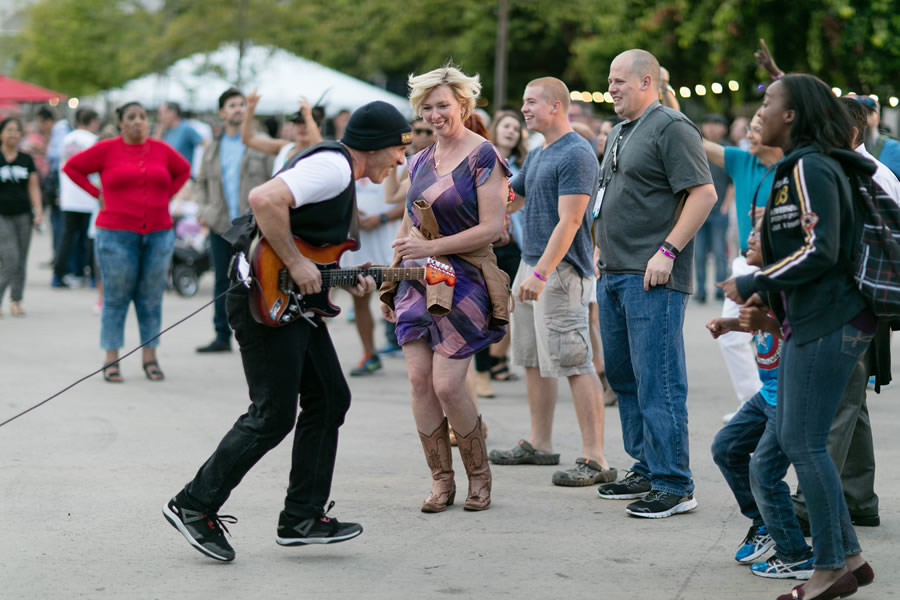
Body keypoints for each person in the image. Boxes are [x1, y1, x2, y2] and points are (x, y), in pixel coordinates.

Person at [163, 101, 411, 561]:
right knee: (273, 413)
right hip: (265, 298)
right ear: (376, 145)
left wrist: (342, 274)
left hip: (294, 303)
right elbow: (264, 199)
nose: (401, 160)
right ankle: (194, 504)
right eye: (399, 149)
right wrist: (296, 263)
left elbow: (311, 241)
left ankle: (302, 517)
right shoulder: (335, 169)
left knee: (331, 397)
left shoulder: (339, 173)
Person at [721, 74, 876, 600]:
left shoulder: (811, 165)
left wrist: (755, 282)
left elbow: (823, 249)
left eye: (768, 101)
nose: (759, 110)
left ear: (792, 114)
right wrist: (768, 300)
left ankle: (829, 568)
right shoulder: (799, 165)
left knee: (804, 443)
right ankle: (850, 555)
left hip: (832, 321)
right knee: (796, 440)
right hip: (813, 321)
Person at [380, 64, 510, 512]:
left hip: (467, 280)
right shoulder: (419, 160)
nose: (436, 115)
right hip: (417, 281)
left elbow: (492, 227)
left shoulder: (484, 155)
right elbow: (408, 222)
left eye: (443, 106)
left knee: (449, 385)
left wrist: (432, 246)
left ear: (463, 105)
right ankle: (441, 481)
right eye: (428, 108)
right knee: (419, 381)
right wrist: (392, 278)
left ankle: (480, 477)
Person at [594, 49, 716, 518]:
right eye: (609, 81)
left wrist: (668, 251)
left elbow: (702, 194)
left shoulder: (672, 127)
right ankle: (646, 467)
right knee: (625, 378)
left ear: (647, 81)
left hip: (653, 277)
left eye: (619, 80)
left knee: (658, 381)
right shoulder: (621, 131)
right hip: (614, 274)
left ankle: (674, 483)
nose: (611, 88)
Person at [489, 76, 616, 489]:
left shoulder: (577, 152)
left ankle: (595, 458)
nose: (523, 109)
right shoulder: (542, 151)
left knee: (575, 362)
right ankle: (540, 444)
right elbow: (517, 197)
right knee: (531, 360)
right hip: (532, 265)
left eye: (530, 102)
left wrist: (542, 274)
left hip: (559, 273)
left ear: (556, 105)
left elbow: (572, 219)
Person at [788, 97, 900, 537]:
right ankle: (858, 498)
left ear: (849, 132)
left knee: (833, 403)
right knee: (852, 398)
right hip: (860, 303)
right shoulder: (863, 171)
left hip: (852, 304)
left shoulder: (861, 174)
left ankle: (809, 506)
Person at [708, 228, 815, 581]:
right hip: (768, 392)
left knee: (765, 473)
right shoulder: (760, 284)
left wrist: (765, 322)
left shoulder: (789, 283)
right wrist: (729, 323)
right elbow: (759, 319)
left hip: (791, 396)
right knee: (726, 448)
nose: (750, 237)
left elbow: (800, 330)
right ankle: (764, 523)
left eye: (758, 232)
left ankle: (795, 554)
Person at [63, 102, 191, 383]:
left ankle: (150, 357)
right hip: (116, 234)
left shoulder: (160, 149)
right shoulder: (107, 149)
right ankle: (111, 358)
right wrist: (95, 192)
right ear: (120, 123)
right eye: (131, 118)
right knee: (116, 297)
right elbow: (72, 168)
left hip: (158, 233)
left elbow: (184, 170)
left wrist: (166, 195)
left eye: (142, 117)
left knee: (151, 297)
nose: (138, 122)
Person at [703, 114, 783, 423]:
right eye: (748, 128)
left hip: (783, 267)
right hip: (746, 264)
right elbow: (696, 141)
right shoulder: (741, 160)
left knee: (781, 336)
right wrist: (665, 93)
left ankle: (777, 403)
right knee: (732, 334)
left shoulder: (795, 169)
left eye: (757, 129)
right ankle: (755, 403)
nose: (749, 134)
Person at [194, 87, 274, 353]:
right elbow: (201, 182)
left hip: (253, 226)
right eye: (232, 105)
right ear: (221, 112)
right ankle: (221, 335)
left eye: (242, 104)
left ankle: (259, 332)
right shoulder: (212, 148)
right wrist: (204, 210)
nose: (238, 109)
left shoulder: (260, 143)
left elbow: (274, 179)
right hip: (220, 225)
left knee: (257, 278)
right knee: (221, 280)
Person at [53, 107, 100, 289]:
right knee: (89, 238)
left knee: (67, 236)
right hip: (87, 195)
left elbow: (60, 166)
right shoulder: (93, 140)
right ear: (93, 122)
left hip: (68, 194)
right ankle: (93, 277)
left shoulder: (66, 139)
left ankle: (58, 274)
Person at [0, 117, 43, 317]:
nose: (13, 134)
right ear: (1, 133)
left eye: (16, 131)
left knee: (21, 261)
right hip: (2, 216)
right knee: (10, 259)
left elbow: (33, 187)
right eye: (9, 130)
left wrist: (38, 211)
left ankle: (16, 300)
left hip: (23, 215)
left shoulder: (26, 159)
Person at [694, 114, 733, 304]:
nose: (710, 128)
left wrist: (726, 205)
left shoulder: (727, 151)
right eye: (708, 123)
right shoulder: (697, 149)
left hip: (719, 211)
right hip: (699, 211)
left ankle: (720, 291)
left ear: (724, 129)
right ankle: (700, 292)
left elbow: (732, 183)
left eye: (715, 124)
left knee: (720, 253)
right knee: (699, 254)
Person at [240, 91, 323, 174]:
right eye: (298, 123)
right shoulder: (284, 147)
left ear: (318, 129)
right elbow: (248, 139)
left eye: (306, 123)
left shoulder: (321, 154)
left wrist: (308, 116)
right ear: (292, 127)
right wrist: (250, 109)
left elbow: (320, 147)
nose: (302, 127)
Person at [156, 101, 205, 167]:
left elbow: (206, 144)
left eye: (162, 113)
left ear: (172, 113)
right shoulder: (168, 132)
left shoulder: (186, 129)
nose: (160, 118)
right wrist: (160, 130)